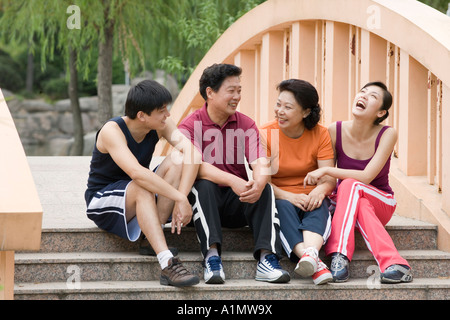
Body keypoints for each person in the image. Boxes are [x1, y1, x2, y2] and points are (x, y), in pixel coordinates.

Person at [178, 63, 289, 284]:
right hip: (202, 205)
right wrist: (232, 179)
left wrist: (258, 181)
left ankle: (267, 260)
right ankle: (212, 258)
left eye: (239, 90)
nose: (237, 96)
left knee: (265, 188)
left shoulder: (246, 123)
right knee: (203, 185)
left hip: (235, 202)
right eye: (231, 90)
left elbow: (259, 160)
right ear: (210, 92)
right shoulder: (190, 125)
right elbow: (194, 164)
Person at [85, 79, 201, 287]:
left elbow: (192, 152)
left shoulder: (161, 125)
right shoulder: (112, 131)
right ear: (142, 116)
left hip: (138, 192)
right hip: (102, 199)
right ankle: (167, 263)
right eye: (162, 110)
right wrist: (179, 197)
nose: (168, 114)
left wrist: (181, 195)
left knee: (178, 160)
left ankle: (150, 239)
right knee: (141, 184)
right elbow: (136, 173)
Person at [304, 81, 413, 284]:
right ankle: (395, 264)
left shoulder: (387, 133)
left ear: (381, 113)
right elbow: (329, 180)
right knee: (353, 194)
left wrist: (327, 169)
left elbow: (366, 177)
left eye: (372, 96)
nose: (363, 96)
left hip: (381, 201)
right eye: (362, 92)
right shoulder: (334, 130)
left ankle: (339, 254)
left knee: (350, 184)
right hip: (348, 205)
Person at [260, 79, 335, 285]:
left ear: (305, 112)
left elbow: (328, 178)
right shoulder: (266, 133)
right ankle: (314, 261)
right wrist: (290, 196)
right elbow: (263, 182)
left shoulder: (320, 134)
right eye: (278, 104)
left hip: (310, 195)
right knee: (282, 207)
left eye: (288, 107)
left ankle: (309, 255)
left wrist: (319, 192)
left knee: (318, 205)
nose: (279, 111)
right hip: (280, 196)